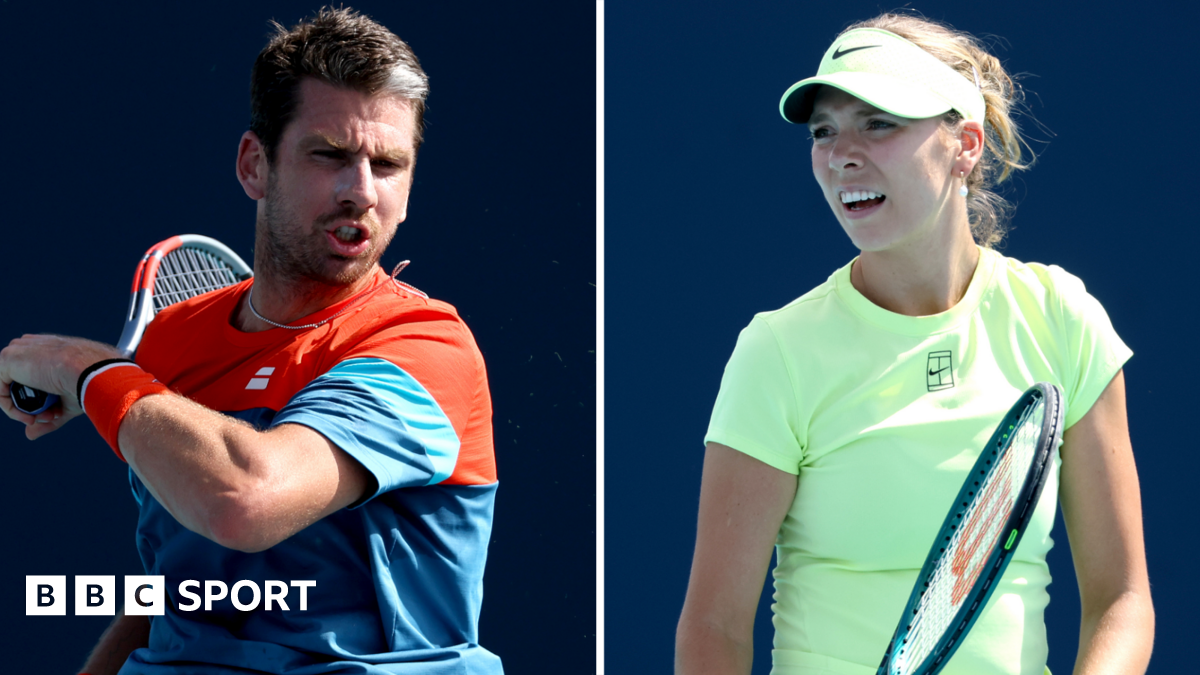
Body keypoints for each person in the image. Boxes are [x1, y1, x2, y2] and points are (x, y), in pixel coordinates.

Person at [0, 8, 503, 675]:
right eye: (330, 155)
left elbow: (243, 500)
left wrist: (80, 366)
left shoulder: (422, 344)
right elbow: (185, 585)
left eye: (387, 165)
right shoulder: (171, 345)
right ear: (254, 166)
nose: (361, 191)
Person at [675, 13, 1153, 675]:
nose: (843, 153)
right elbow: (715, 627)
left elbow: (1122, 598)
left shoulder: (1060, 318)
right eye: (824, 131)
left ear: (966, 144)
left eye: (879, 123)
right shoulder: (776, 352)